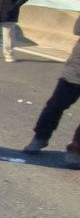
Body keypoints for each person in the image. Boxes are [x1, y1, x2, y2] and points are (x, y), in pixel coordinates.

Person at [22, 14, 80, 168]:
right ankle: (41, 136)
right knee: (56, 104)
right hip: (76, 69)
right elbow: (78, 28)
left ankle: (76, 147)